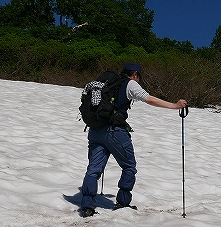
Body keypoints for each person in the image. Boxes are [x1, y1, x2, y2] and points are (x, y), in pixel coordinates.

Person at [77, 62, 187, 217]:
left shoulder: (107, 84)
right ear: (135, 74)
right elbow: (149, 99)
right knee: (129, 166)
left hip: (95, 130)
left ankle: (87, 205)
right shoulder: (130, 84)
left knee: (93, 169)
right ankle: (123, 202)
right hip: (114, 132)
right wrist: (174, 106)